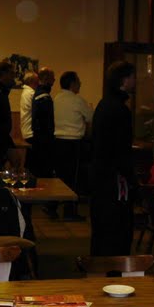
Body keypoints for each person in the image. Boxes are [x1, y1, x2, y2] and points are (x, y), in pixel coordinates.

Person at [90, 61, 136, 256]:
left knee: (102, 226)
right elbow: (120, 149)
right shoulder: (119, 109)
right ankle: (116, 264)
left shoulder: (104, 104)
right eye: (133, 77)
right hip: (114, 178)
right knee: (117, 227)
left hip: (101, 175)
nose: (135, 81)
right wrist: (131, 178)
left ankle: (100, 263)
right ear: (124, 80)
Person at [53, 71, 92, 220]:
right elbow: (90, 117)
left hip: (57, 141)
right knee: (73, 179)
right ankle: (69, 211)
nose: (80, 84)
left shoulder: (56, 98)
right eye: (78, 81)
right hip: (73, 142)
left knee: (59, 177)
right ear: (72, 83)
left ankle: (52, 205)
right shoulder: (77, 100)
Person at [30, 67, 56, 178]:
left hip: (38, 137)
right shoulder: (43, 96)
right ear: (46, 78)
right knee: (44, 171)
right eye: (52, 77)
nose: (54, 80)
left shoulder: (38, 93)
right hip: (44, 138)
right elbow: (46, 120)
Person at [19, 70, 39, 148]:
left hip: (27, 131)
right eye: (37, 80)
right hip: (31, 131)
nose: (38, 83)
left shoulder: (26, 92)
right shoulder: (31, 93)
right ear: (32, 81)